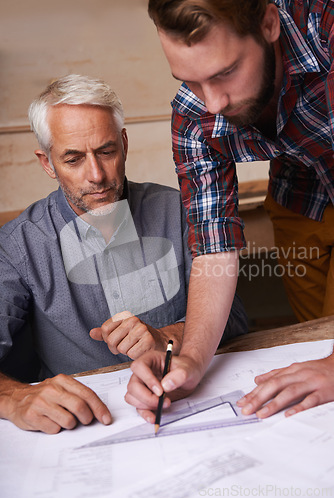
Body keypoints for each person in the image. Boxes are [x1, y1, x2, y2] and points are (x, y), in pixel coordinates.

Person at [0, 74, 247, 434]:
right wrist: (14, 397)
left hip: (181, 405)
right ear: (47, 163)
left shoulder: (180, 210)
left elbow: (237, 318)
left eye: (106, 151)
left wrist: (167, 338)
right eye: (73, 159)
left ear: (124, 144)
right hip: (77, 426)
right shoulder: (17, 244)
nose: (97, 175)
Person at [124, 0, 334, 421]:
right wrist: (193, 361)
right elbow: (214, 246)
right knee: (318, 337)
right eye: (191, 81)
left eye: (224, 73)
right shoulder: (193, 113)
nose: (213, 102)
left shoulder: (326, 29)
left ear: (269, 24)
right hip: (303, 198)